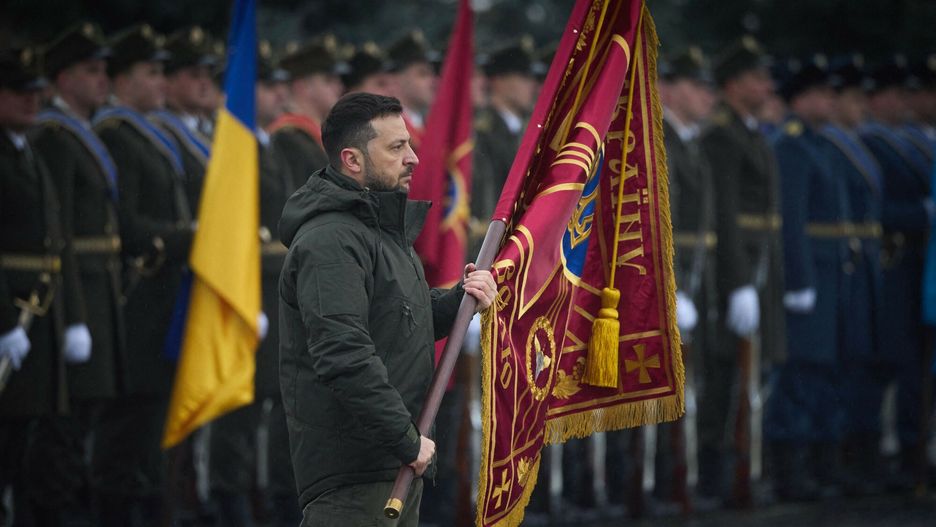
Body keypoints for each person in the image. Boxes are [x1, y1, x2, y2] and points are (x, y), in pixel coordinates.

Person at [277, 92, 496, 526]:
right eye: (396, 147)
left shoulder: (375, 229)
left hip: (392, 465)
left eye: (409, 144)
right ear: (352, 160)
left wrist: (461, 299)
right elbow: (343, 355)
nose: (413, 158)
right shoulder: (331, 240)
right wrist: (405, 439)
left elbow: (400, 316)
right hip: (356, 474)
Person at [93, 25, 195, 525]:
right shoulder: (116, 133)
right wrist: (189, 236)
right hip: (140, 298)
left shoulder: (148, 133)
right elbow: (127, 223)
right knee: (130, 425)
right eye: (150, 72)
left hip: (166, 296)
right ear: (122, 80)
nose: (160, 81)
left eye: (161, 71)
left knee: (155, 424)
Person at [30, 22, 125, 523]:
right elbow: (59, 232)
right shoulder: (54, 136)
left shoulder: (82, 134)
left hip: (102, 292)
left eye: (104, 69)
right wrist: (73, 317)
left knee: (87, 423)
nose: (102, 79)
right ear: (63, 78)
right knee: (62, 434)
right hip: (78, 295)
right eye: (90, 70)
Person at [0, 44, 92, 525]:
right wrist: (2, 323)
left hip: (39, 318)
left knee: (25, 446)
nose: (31, 100)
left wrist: (74, 318)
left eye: (36, 90)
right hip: (13, 318)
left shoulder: (28, 152)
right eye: (19, 91)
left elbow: (59, 243)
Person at [208, 40, 297, 527]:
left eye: (282, 84)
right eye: (268, 84)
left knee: (272, 401)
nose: (279, 93)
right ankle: (228, 500)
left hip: (274, 292)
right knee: (238, 404)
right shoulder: (237, 144)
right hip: (242, 290)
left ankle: (261, 498)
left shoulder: (268, 143)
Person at [698, 35, 784, 505]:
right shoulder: (722, 137)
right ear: (732, 85)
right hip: (735, 270)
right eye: (755, 77)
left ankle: (745, 467)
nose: (765, 86)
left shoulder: (751, 134)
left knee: (750, 373)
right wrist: (738, 283)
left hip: (761, 266)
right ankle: (717, 472)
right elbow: (725, 215)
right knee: (723, 374)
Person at [763, 54, 849, 501]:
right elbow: (791, 221)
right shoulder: (792, 146)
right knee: (798, 370)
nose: (831, 101)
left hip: (831, 273)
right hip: (810, 272)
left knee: (824, 370)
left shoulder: (822, 144)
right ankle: (790, 468)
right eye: (823, 94)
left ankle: (821, 461)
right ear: (802, 99)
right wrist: (798, 281)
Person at [858, 55, 932, 490]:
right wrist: (922, 214)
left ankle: (912, 447)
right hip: (892, 262)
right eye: (896, 93)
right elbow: (873, 210)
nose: (905, 101)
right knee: (890, 360)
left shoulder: (908, 142)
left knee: (913, 364)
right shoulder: (870, 143)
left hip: (918, 265)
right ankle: (892, 450)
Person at [819, 53, 886, 496]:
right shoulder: (826, 146)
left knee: (861, 361)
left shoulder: (854, 144)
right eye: (852, 97)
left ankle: (859, 450)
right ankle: (836, 454)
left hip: (863, 264)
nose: (861, 105)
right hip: (838, 265)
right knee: (834, 365)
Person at [271, 35, 347, 189]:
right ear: (302, 86)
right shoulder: (288, 137)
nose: (339, 87)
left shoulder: (315, 134)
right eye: (328, 80)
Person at [386, 30, 438, 151]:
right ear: (396, 79)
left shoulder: (425, 124)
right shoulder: (389, 128)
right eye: (422, 74)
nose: (433, 82)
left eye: (432, 74)